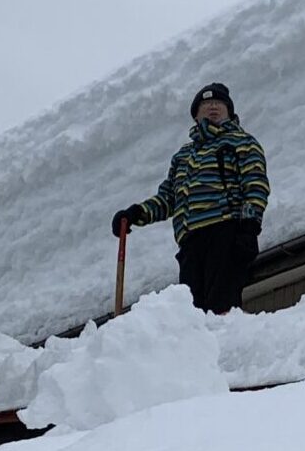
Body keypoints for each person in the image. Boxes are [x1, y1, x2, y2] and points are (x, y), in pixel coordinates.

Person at [113, 82, 268, 314]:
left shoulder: (241, 142)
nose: (213, 107)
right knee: (192, 311)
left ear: (229, 111)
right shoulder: (183, 156)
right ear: (196, 115)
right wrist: (136, 214)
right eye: (206, 104)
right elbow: (168, 198)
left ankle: (224, 342)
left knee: (221, 302)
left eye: (219, 103)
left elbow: (254, 185)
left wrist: (249, 226)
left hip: (225, 230)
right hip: (190, 240)